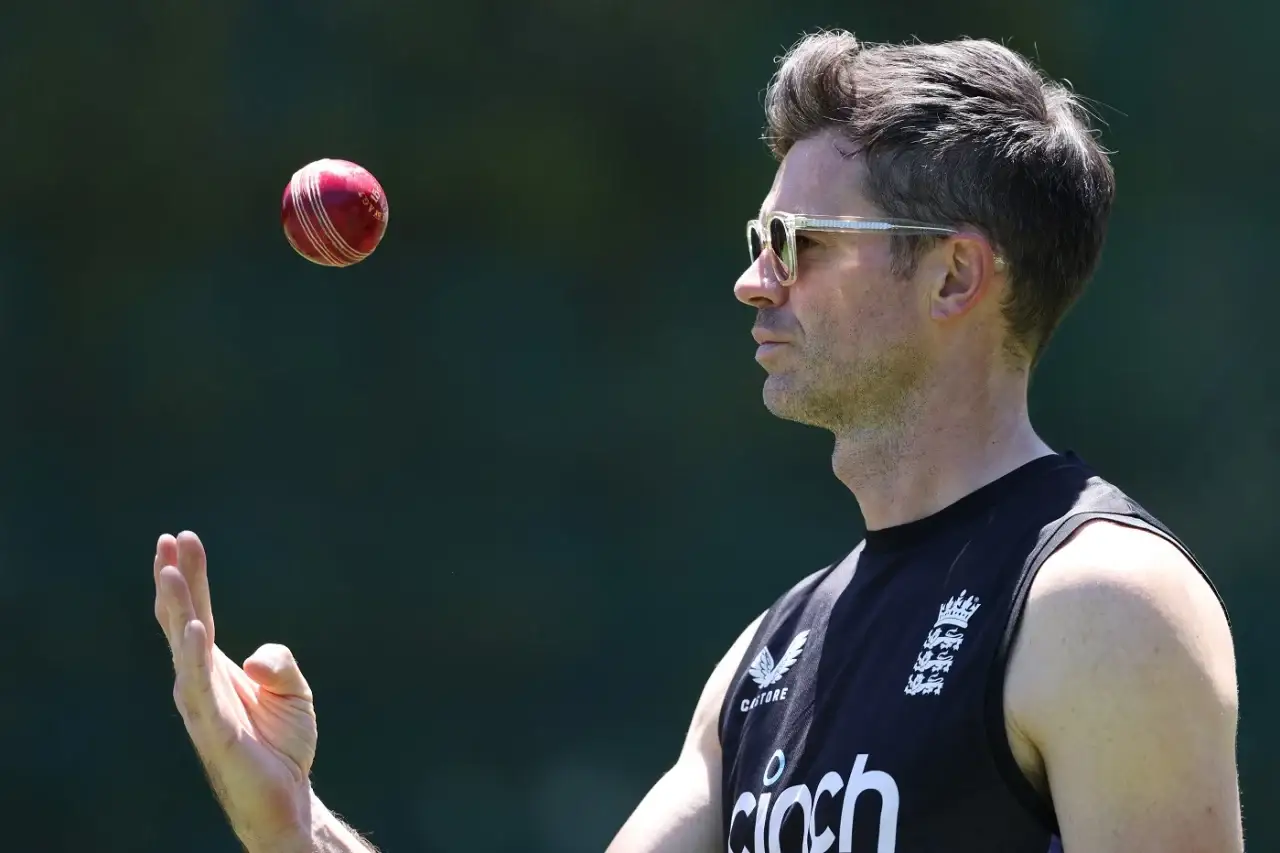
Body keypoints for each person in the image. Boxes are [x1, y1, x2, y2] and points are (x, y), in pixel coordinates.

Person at [152, 31, 1243, 853]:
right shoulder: (768, 659)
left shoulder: (1102, 605)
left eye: (796, 241)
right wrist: (294, 828)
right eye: (756, 237)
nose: (753, 280)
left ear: (955, 274)